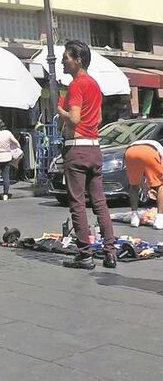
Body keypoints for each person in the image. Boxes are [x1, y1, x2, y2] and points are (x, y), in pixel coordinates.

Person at [58, 40, 117, 270]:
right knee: (100, 202)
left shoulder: (76, 85)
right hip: (94, 147)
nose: (63, 61)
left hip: (77, 148)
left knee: (78, 203)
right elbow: (99, 118)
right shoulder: (94, 85)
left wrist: (61, 111)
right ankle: (110, 252)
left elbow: (73, 118)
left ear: (78, 60)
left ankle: (85, 255)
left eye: (66, 57)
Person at [124, 138, 163, 229]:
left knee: (133, 184)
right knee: (161, 184)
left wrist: (146, 187)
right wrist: (152, 188)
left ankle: (134, 217)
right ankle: (160, 218)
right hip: (150, 152)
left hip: (130, 151)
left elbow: (139, 179)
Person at [0, 119, 21, 202]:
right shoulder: (7, 133)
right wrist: (15, 148)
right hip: (7, 157)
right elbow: (16, 142)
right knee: (6, 176)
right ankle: (5, 194)